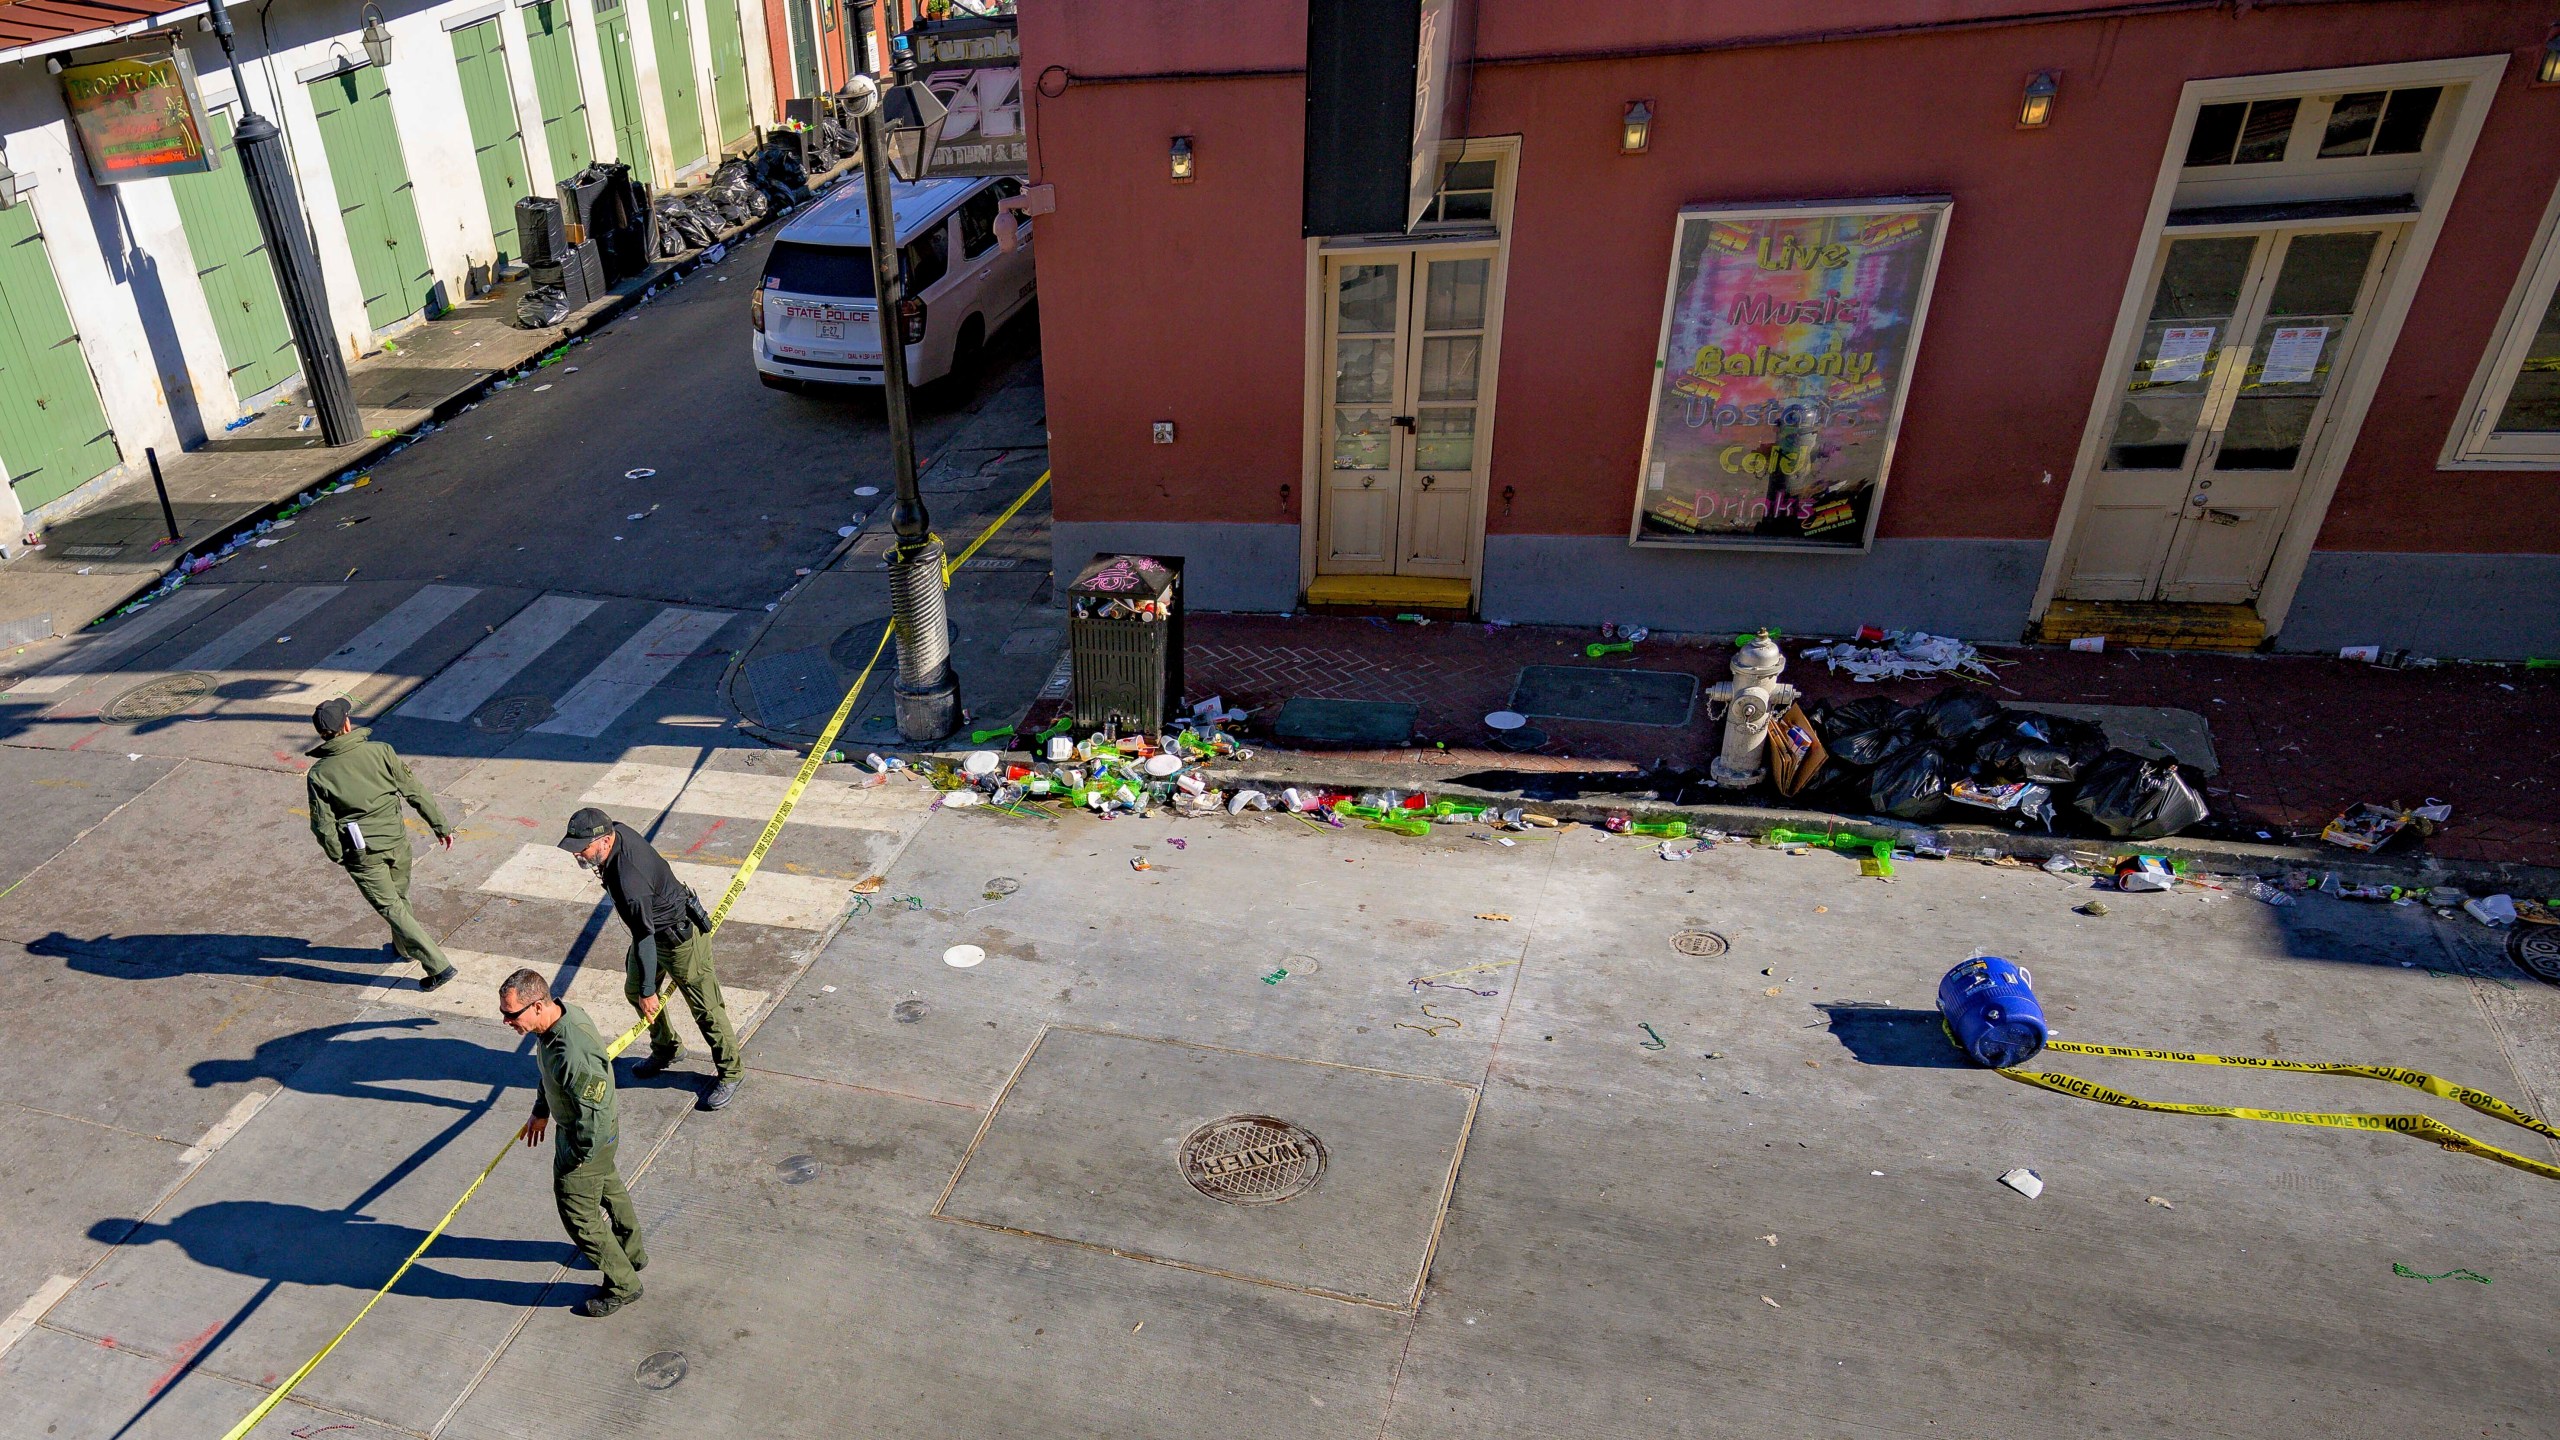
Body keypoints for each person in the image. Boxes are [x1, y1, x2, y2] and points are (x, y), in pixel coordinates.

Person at [557, 807, 742, 1110]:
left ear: (604, 841)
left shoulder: (629, 879)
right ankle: (667, 1047)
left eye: (582, 849)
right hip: (652, 933)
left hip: (679, 942)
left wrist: (649, 992)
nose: (577, 855)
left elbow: (643, 936)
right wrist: (642, 990)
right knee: (634, 990)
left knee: (706, 1009)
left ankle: (731, 1071)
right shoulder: (615, 831)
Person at [501, 968, 645, 1317]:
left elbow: (592, 1116)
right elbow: (550, 1075)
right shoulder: (552, 1025)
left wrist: (580, 1159)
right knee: (609, 1188)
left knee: (578, 1214)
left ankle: (624, 1283)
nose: (506, 1021)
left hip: (585, 1139)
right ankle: (632, 1253)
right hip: (583, 1134)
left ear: (536, 1006)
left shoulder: (572, 1053)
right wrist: (541, 1110)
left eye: (511, 1014)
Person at [305, 697, 456, 991]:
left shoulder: (319, 774)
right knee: (399, 900)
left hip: (363, 854)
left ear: (323, 734)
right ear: (347, 724)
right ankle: (403, 948)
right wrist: (440, 825)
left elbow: (322, 824)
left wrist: (339, 855)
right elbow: (415, 792)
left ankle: (438, 965)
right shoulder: (381, 751)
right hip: (397, 843)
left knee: (392, 908)